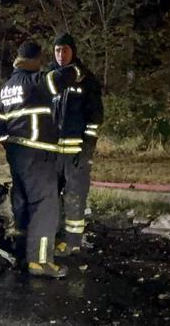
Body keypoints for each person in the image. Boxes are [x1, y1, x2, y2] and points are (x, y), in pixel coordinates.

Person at [0, 41, 80, 278]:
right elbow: (64, 77)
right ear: (35, 61)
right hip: (38, 154)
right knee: (45, 205)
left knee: (22, 202)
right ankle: (40, 262)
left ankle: (21, 251)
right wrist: (77, 68)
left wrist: (9, 145)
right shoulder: (36, 82)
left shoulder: (5, 89)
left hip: (16, 154)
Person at [48, 33, 104, 257]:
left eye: (65, 50)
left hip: (76, 153)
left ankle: (73, 242)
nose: (61, 55)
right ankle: (53, 236)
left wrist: (88, 150)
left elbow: (95, 118)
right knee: (50, 196)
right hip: (52, 153)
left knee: (74, 197)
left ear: (73, 51)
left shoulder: (86, 79)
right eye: (57, 50)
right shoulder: (51, 79)